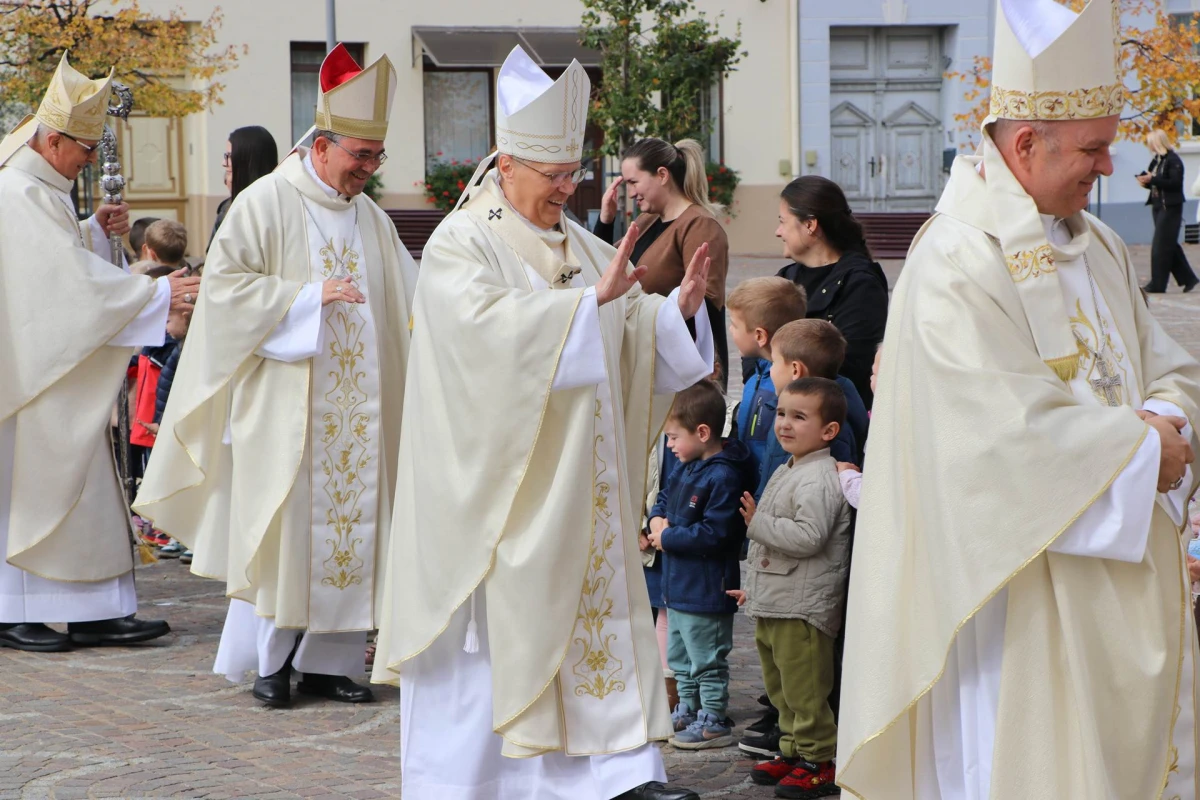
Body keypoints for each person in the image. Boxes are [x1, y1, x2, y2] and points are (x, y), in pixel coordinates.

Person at [837, 1, 1200, 797]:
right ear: (1027, 143)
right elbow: (994, 440)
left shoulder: (1099, 245)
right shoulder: (956, 263)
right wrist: (1148, 450)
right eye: (1094, 148)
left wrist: (1172, 419)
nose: (1109, 166)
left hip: (1114, 577)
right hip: (1015, 593)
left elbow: (1166, 366)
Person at [371, 46, 714, 800]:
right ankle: (477, 784)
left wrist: (674, 315)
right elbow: (477, 339)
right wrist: (587, 307)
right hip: (501, 491)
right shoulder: (462, 241)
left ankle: (622, 772)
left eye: (573, 173)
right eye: (554, 174)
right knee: (499, 642)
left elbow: (626, 321)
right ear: (506, 166)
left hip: (580, 486)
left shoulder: (582, 243)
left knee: (597, 618)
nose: (569, 187)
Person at [134, 44, 416, 708]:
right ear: (321, 147)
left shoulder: (371, 218)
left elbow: (412, 296)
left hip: (360, 416)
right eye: (359, 157)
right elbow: (225, 292)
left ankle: (329, 663)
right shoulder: (264, 203)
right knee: (283, 534)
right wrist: (308, 298)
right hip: (285, 410)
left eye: (377, 159)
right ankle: (270, 663)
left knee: (352, 533)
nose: (367, 171)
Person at [0, 52, 197, 652]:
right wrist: (153, 292)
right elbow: (57, 287)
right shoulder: (17, 191)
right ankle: (13, 610)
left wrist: (90, 230)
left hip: (59, 371)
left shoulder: (41, 187)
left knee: (86, 489)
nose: (90, 158)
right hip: (34, 378)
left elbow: (58, 265)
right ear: (52, 140)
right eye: (84, 148)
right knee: (35, 491)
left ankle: (94, 611)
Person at [734, 377, 852, 799]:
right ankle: (791, 749)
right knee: (780, 688)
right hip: (777, 601)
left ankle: (820, 759)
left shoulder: (819, 477)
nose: (784, 423)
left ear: (829, 431)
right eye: (781, 413)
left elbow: (808, 537)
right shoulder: (791, 467)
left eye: (799, 417)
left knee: (805, 690)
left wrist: (757, 523)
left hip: (802, 608)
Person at [646, 380, 757, 750]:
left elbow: (716, 534)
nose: (669, 445)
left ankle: (713, 717)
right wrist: (656, 520)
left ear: (703, 433)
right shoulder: (687, 466)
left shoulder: (723, 475)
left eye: (673, 437)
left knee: (706, 658)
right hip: (678, 588)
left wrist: (668, 538)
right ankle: (688, 708)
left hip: (706, 590)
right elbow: (664, 497)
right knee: (680, 657)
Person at [594, 137, 731, 388]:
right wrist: (606, 220)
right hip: (646, 356)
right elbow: (604, 268)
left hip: (680, 372)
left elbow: (705, 305)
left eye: (634, 182)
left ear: (662, 175)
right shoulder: (648, 220)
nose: (630, 193)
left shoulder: (699, 225)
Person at [758, 177, 888, 408]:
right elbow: (755, 344)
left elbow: (850, 366)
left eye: (783, 222)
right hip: (777, 411)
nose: (778, 232)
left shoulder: (860, 283)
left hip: (829, 416)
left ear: (810, 224)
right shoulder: (787, 277)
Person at [727, 276, 808, 469]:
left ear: (759, 336)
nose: (730, 329)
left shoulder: (785, 388)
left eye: (734, 325)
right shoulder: (757, 374)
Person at [1139, 129, 1199, 293]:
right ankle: (1189, 279)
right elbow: (1156, 181)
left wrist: (1153, 179)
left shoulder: (1173, 160)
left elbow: (1174, 183)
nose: (1149, 147)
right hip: (1158, 205)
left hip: (1170, 207)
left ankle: (1158, 284)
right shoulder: (1157, 160)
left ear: (1158, 143)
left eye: (1151, 143)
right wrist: (1146, 182)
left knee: (1160, 246)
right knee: (1169, 244)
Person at [208, 125, 278, 251]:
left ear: (247, 161)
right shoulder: (226, 209)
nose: (224, 163)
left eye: (229, 156)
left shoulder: (277, 211)